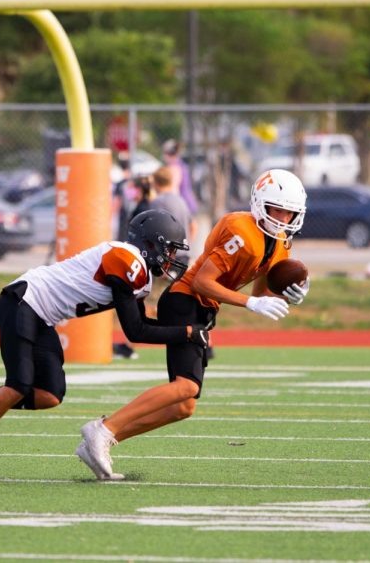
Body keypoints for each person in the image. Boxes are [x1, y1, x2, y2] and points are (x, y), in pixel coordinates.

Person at [0, 210, 210, 482]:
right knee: (18, 385)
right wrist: (187, 333)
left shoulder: (139, 275)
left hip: (42, 317)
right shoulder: (125, 258)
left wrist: (187, 330)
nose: (172, 259)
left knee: (49, 394)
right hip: (22, 302)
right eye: (169, 250)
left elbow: (142, 327)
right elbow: (136, 330)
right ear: (152, 244)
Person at [76, 169, 308, 481]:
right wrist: (251, 303)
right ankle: (103, 429)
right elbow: (202, 281)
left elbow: (261, 292)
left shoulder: (279, 244)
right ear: (260, 204)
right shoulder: (243, 231)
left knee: (183, 406)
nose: (283, 217)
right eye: (277, 208)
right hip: (185, 300)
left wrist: (290, 294)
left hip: (202, 309)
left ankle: (103, 439)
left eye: (289, 211)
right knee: (187, 386)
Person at [149, 166, 195, 271]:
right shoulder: (181, 201)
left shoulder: (158, 202)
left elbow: (155, 230)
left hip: (168, 259)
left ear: (156, 183)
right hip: (184, 257)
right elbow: (193, 226)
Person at [162, 139, 199, 218]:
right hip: (187, 202)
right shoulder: (182, 165)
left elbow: (174, 189)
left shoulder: (173, 167)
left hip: (182, 203)